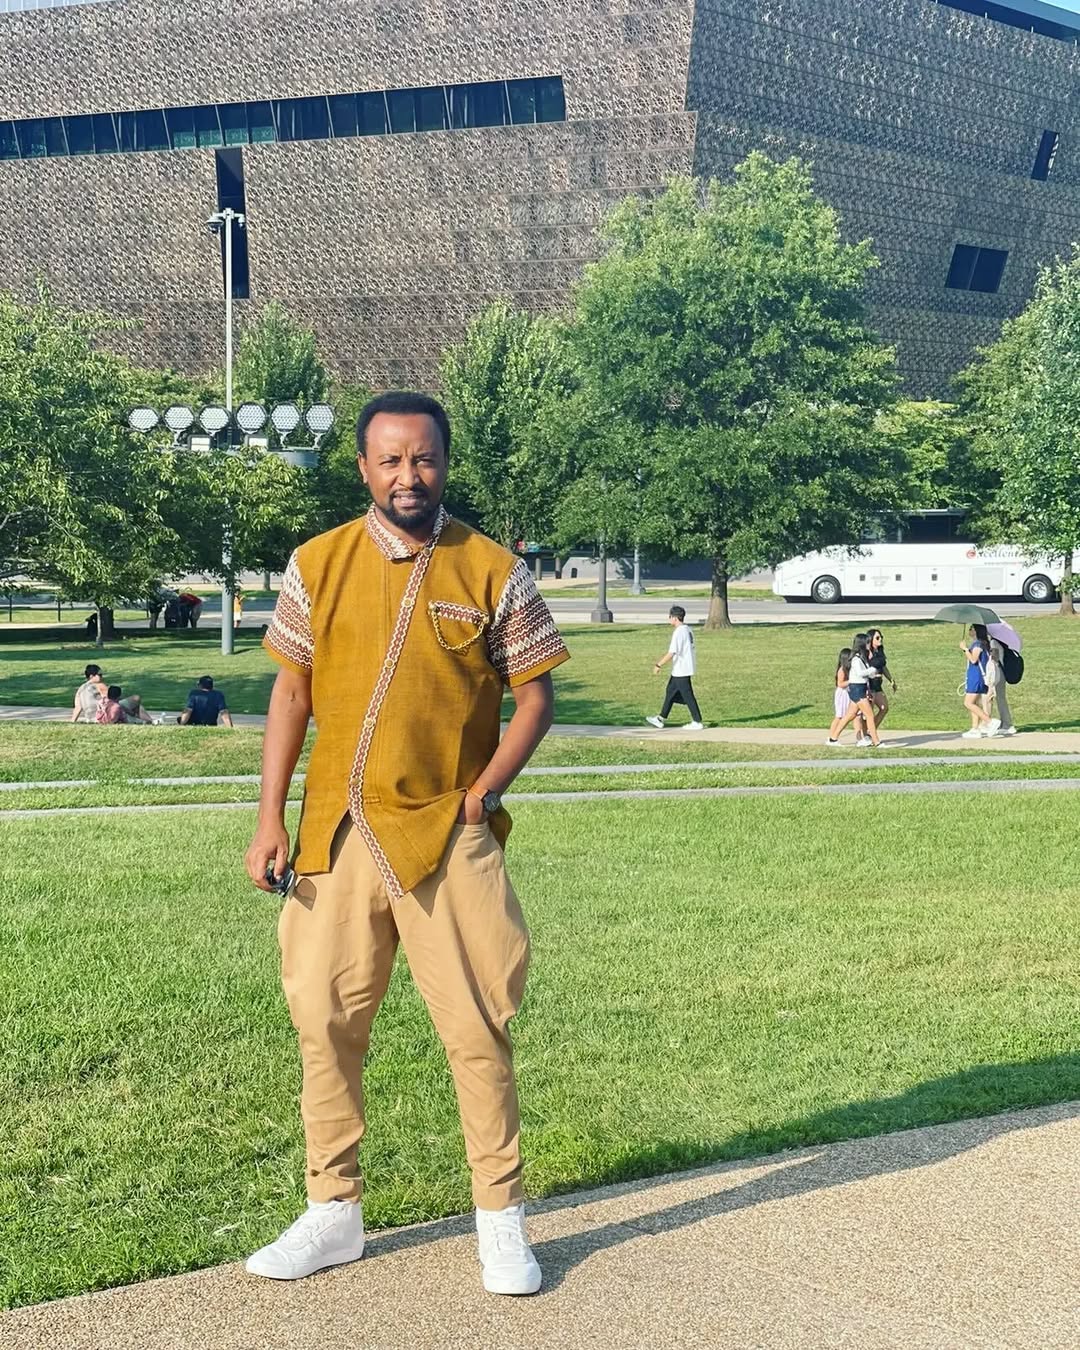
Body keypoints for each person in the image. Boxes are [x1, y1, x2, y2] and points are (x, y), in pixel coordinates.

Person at [243, 391, 569, 1294]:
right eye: (389, 460)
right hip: (336, 832)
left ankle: (500, 1221)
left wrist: (483, 795)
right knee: (324, 1022)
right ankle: (332, 1212)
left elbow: (537, 697)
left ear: (444, 462)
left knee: (477, 1028)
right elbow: (291, 697)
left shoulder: (493, 569)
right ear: (363, 468)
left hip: (447, 835)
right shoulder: (319, 562)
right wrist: (270, 817)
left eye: (422, 459)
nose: (407, 476)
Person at [645, 605, 704, 730]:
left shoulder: (679, 632)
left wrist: (658, 664)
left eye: (670, 617)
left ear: (675, 618)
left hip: (682, 669)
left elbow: (672, 652)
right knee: (670, 691)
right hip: (682, 668)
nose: (669, 619)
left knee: (688, 695)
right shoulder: (687, 629)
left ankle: (697, 721)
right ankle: (660, 718)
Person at [829, 632, 881, 747]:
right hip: (857, 689)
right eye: (867, 642)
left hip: (861, 688)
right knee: (870, 715)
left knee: (850, 715)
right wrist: (872, 670)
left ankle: (833, 738)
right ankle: (876, 741)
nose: (869, 644)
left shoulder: (862, 658)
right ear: (862, 644)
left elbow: (865, 674)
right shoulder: (856, 659)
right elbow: (860, 673)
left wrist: (872, 675)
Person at [962, 624, 1000, 739]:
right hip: (977, 677)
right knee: (974, 703)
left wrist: (965, 649)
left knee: (968, 703)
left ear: (977, 631)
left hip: (976, 677)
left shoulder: (978, 644)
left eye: (971, 629)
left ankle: (989, 722)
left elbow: (974, 659)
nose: (969, 631)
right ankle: (975, 728)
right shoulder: (983, 644)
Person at [858, 627, 897, 738]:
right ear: (871, 639)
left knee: (884, 708)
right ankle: (866, 736)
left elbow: (883, 667)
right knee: (867, 713)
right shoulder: (865, 654)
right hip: (869, 685)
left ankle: (870, 732)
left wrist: (891, 680)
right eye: (878, 638)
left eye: (881, 637)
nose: (880, 639)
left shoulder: (879, 652)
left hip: (878, 685)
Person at [984, 634, 1017, 736]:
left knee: (1000, 698)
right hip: (998, 672)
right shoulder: (997, 642)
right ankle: (1004, 723)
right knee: (999, 698)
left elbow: (995, 658)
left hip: (997, 672)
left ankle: (1007, 724)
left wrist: (990, 653)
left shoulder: (994, 643)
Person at [825, 647, 852, 745]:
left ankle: (832, 737)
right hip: (842, 694)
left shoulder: (848, 669)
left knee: (845, 715)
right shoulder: (841, 670)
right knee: (839, 716)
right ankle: (831, 736)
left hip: (847, 692)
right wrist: (851, 681)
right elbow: (840, 684)